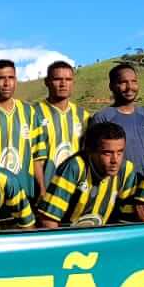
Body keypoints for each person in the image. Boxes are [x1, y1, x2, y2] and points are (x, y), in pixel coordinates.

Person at [37, 121, 140, 228]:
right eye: (107, 153)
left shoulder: (126, 169)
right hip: (68, 237)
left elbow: (129, 218)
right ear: (91, 151)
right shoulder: (75, 167)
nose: (115, 160)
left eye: (120, 152)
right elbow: (48, 219)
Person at [0, 60, 44, 201]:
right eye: (1, 78)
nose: (7, 83)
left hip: (25, 193)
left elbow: (37, 156)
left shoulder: (29, 112)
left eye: (11, 78)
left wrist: (42, 189)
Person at [90, 64, 144, 176]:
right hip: (119, 188)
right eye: (123, 82)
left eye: (134, 81)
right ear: (111, 86)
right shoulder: (103, 118)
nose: (130, 87)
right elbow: (94, 157)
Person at [35, 60, 91, 191]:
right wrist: (42, 191)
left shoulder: (84, 116)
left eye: (68, 79)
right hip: (45, 190)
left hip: (76, 190)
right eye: (57, 79)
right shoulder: (33, 113)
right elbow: (33, 159)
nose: (63, 84)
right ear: (47, 82)